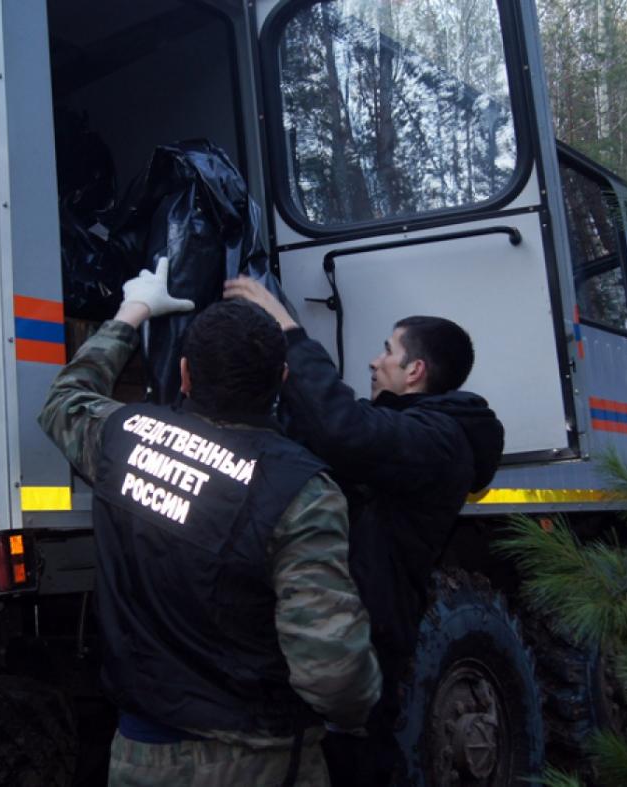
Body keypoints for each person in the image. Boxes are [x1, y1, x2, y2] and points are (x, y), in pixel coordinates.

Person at [38, 258, 382, 786]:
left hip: (139, 759)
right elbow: (333, 674)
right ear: (282, 379)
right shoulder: (302, 492)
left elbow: (65, 400)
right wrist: (353, 719)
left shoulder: (122, 438)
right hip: (261, 762)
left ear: (184, 374)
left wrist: (133, 310)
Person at [223, 276, 505, 786]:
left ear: (415, 370)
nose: (376, 362)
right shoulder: (417, 428)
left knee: (356, 765)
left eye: (387, 351)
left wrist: (287, 328)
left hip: (367, 634)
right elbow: (329, 436)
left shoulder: (438, 439)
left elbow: (343, 430)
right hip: (356, 621)